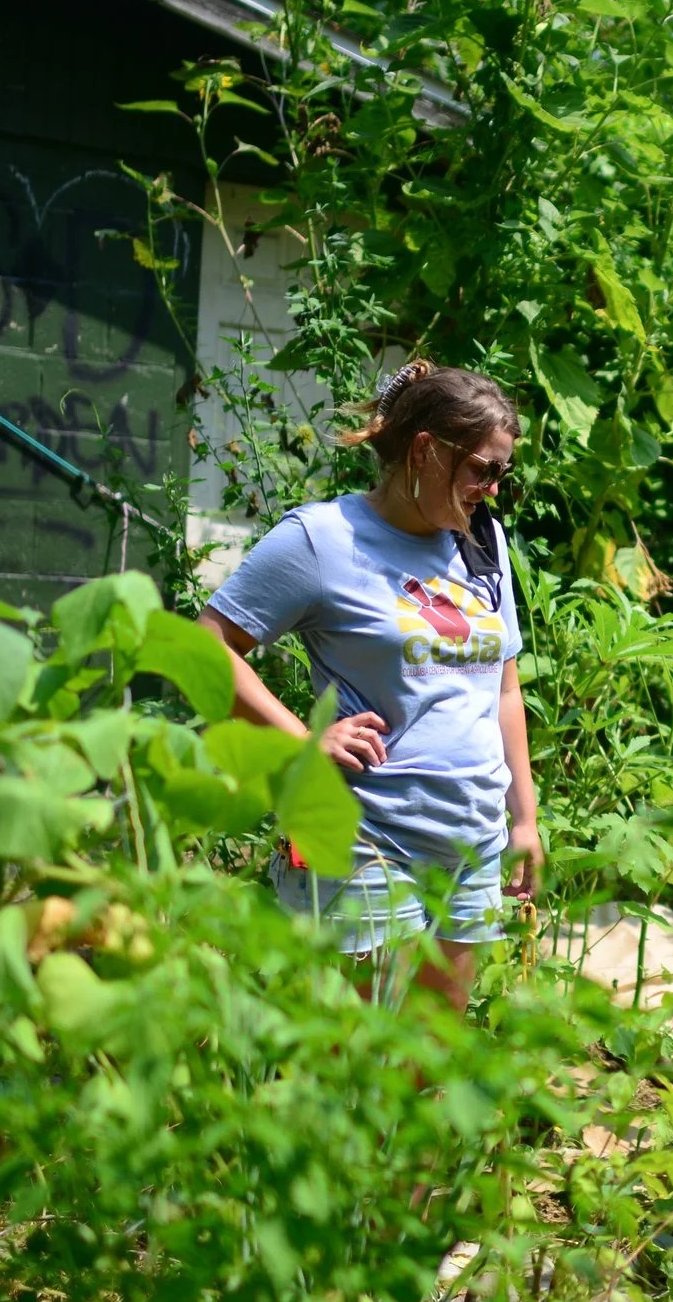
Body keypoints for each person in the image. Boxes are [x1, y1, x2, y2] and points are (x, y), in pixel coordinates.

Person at [197, 361, 540, 1009]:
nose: (494, 490)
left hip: (469, 842)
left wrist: (525, 817)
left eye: (503, 472)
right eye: (482, 470)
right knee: (347, 1071)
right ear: (424, 451)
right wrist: (301, 742)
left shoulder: (482, 539)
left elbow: (504, 684)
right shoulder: (322, 539)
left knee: (424, 1069)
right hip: (367, 843)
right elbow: (208, 644)